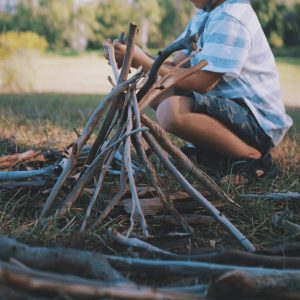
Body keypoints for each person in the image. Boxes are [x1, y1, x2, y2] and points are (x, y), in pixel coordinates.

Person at [104, 0, 293, 183]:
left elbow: (202, 81)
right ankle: (217, 156)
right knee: (155, 88)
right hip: (231, 111)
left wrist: (143, 60)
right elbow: (175, 65)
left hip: (257, 122)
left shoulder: (232, 17)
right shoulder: (206, 14)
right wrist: (134, 54)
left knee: (170, 112)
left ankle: (252, 158)